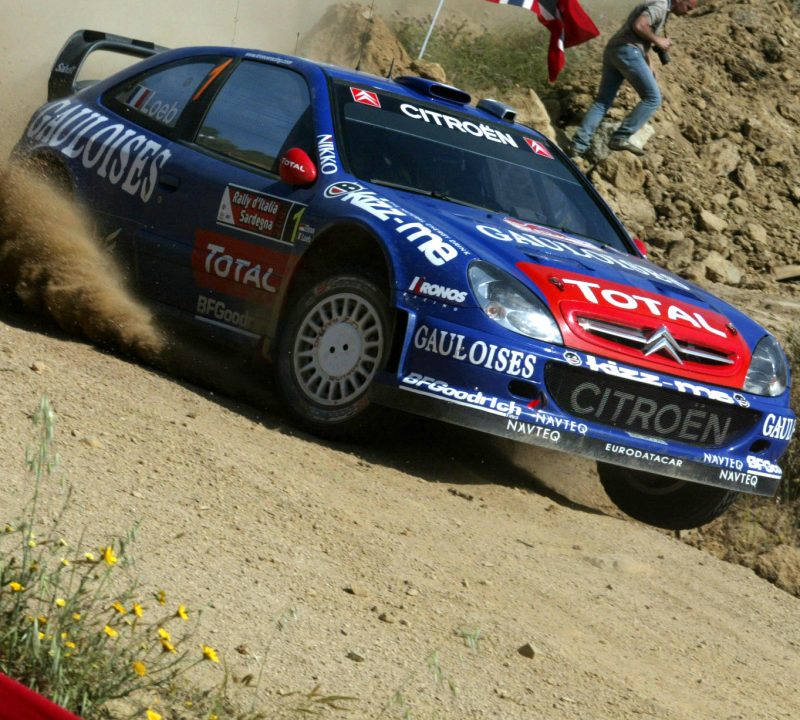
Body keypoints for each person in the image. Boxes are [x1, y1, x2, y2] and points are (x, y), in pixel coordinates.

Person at [570, 0, 697, 158]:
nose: (688, 11)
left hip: (614, 50)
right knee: (653, 98)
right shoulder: (660, 5)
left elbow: (640, 34)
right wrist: (658, 40)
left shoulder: (661, 6)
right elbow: (639, 25)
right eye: (688, 7)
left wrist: (650, 63)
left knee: (602, 101)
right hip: (628, 51)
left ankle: (578, 146)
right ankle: (620, 137)